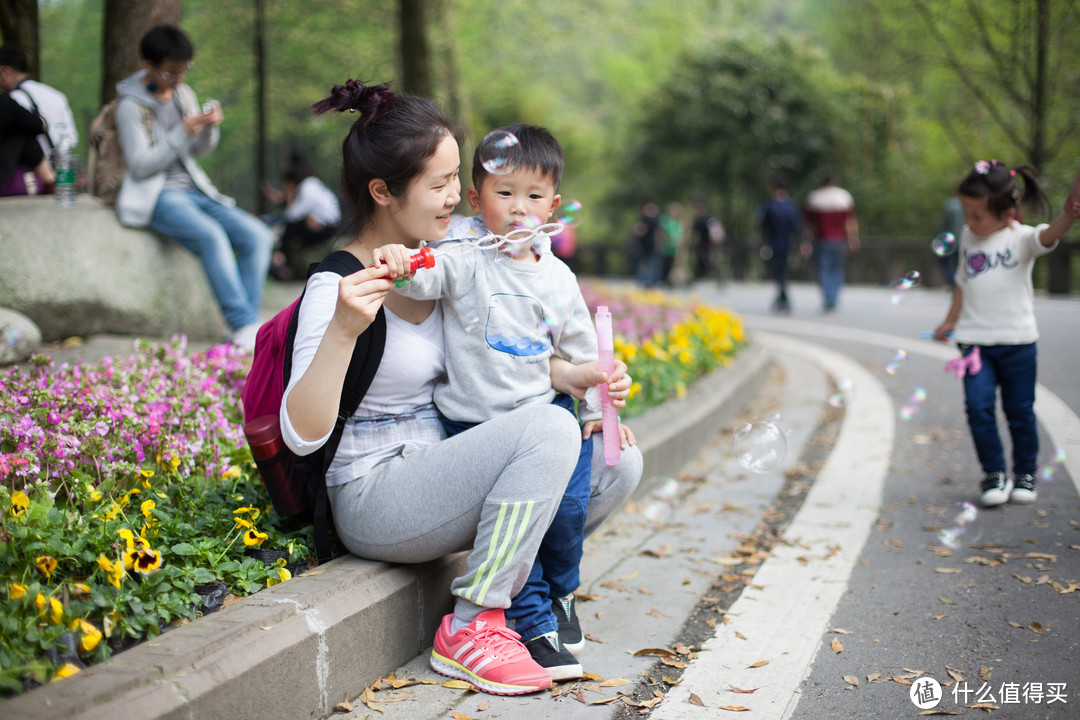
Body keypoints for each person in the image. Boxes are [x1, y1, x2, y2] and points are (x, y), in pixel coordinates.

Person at [283, 79, 636, 696]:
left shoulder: (461, 257)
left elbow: (518, 358)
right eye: (441, 184)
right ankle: (474, 624)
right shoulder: (339, 284)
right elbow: (301, 433)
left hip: (449, 457)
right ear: (383, 191)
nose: (459, 199)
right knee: (550, 429)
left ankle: (543, 594)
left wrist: (587, 387)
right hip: (377, 491)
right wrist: (342, 330)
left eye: (458, 181)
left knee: (616, 462)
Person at [391, 124, 643, 681]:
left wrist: (602, 407)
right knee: (525, 514)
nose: (519, 207)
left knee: (567, 511)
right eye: (505, 194)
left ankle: (561, 594)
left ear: (553, 207)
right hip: (476, 426)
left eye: (534, 196)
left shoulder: (558, 278)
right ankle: (529, 621)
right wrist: (404, 263)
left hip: (549, 419)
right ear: (478, 200)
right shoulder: (465, 252)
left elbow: (581, 359)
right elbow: (424, 283)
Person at [113, 25, 272, 350]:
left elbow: (200, 151)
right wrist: (182, 132)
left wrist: (209, 129)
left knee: (257, 234)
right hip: (158, 196)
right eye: (170, 72)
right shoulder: (129, 107)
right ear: (148, 64)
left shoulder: (184, 95)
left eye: (183, 70)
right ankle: (243, 325)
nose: (178, 79)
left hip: (197, 190)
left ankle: (244, 328)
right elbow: (141, 165)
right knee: (212, 236)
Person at [932, 160, 1077, 508]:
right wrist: (950, 321)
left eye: (977, 215)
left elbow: (1048, 235)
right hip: (974, 341)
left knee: (1020, 411)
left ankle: (1024, 473)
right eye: (966, 213)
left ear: (1008, 213)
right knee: (979, 408)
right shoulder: (968, 237)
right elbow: (963, 283)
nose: (969, 222)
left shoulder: (1021, 239)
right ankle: (994, 474)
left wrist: (1069, 216)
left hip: (1017, 343)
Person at [261, 161, 342, 280]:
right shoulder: (311, 184)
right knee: (291, 230)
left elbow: (293, 214)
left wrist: (289, 198)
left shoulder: (308, 186)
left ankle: (280, 261)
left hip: (327, 227)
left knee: (290, 227)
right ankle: (283, 261)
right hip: (325, 224)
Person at [0, 45, 78, 161]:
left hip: (29, 173)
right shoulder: (57, 96)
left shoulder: (11, 102)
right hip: (62, 171)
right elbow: (71, 137)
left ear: (5, 71)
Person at [802, 172, 859, 312]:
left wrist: (806, 241)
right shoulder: (843, 197)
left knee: (823, 270)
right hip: (838, 240)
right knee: (837, 269)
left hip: (821, 240)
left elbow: (809, 225)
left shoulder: (814, 198)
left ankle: (829, 297)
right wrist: (852, 238)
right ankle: (834, 296)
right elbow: (849, 222)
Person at [756, 175, 802, 313]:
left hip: (773, 242)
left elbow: (763, 225)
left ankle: (783, 298)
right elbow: (797, 227)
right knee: (783, 271)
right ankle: (782, 298)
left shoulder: (767, 205)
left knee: (778, 272)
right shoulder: (791, 205)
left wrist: (764, 244)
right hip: (788, 243)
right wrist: (801, 242)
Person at [0, 92, 54, 196]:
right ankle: (50, 182)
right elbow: (37, 125)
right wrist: (43, 120)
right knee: (21, 133)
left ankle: (50, 183)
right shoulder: (4, 103)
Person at [690, 198, 724, 282]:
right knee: (702, 261)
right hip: (706, 243)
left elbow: (696, 231)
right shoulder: (708, 218)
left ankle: (718, 277)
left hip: (707, 243)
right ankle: (699, 278)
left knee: (708, 262)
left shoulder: (703, 220)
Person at [631, 200, 661, 287]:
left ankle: (642, 281)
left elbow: (640, 230)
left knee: (643, 264)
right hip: (651, 245)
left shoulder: (644, 219)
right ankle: (653, 282)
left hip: (644, 245)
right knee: (654, 264)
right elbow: (659, 233)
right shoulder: (656, 220)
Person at [937, 195, 964, 287]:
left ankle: (954, 283)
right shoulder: (969, 205)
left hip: (949, 241)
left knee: (944, 263)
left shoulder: (950, 205)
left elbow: (944, 225)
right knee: (960, 265)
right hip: (963, 240)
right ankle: (957, 284)